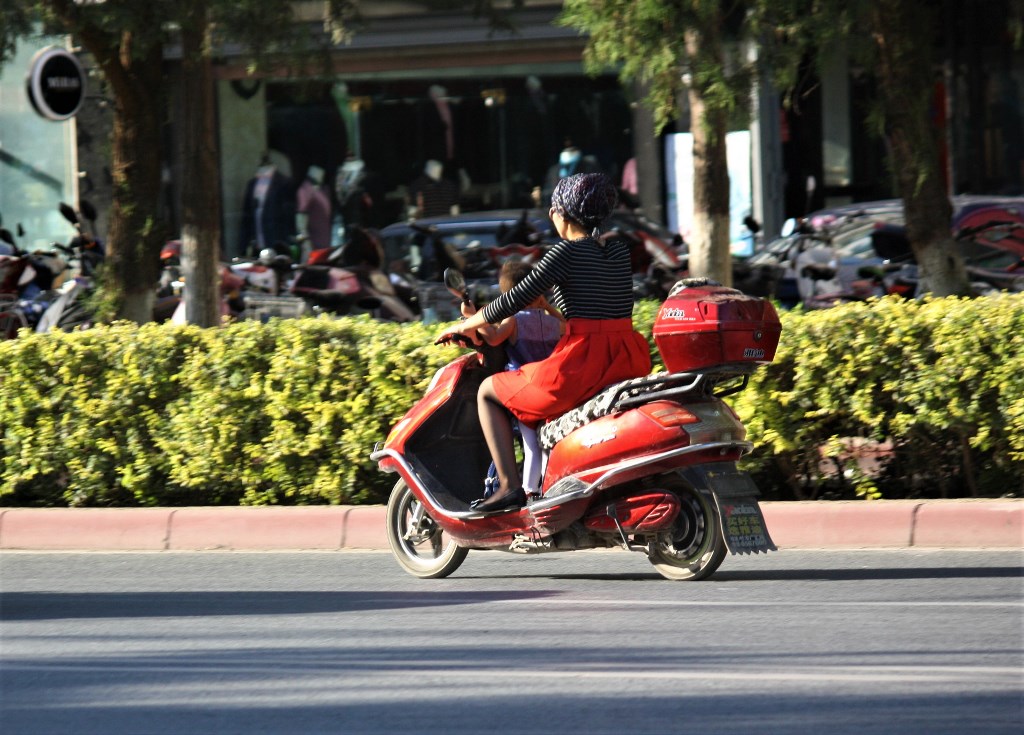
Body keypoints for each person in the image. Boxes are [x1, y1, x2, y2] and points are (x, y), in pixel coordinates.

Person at [436, 172, 652, 514]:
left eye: (553, 210)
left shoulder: (565, 252)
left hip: (582, 361)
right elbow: (592, 307)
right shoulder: (619, 252)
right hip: (627, 355)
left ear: (563, 215)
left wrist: (467, 324)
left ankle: (509, 487)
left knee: (488, 390)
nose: (551, 217)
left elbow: (513, 300)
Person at [461, 259, 565, 499]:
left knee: (531, 446)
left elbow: (494, 338)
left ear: (509, 295)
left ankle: (529, 493)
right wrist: (547, 306)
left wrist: (473, 317)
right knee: (547, 444)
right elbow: (568, 326)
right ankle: (547, 489)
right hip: (551, 388)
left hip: (520, 392)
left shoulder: (514, 321)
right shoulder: (551, 323)